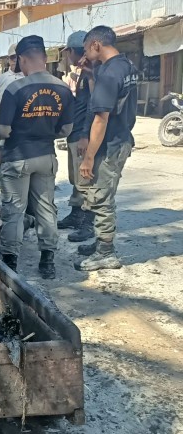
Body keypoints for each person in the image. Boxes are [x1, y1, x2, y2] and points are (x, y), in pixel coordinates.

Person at [0, 35, 74, 279]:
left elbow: (2, 130)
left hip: (18, 156)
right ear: (44, 57)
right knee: (46, 208)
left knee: (14, 210)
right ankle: (47, 261)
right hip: (46, 156)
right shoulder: (63, 88)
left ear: (22, 59)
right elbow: (65, 130)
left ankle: (11, 262)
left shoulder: (15, 88)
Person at [75, 25, 138, 271]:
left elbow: (101, 118)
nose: (84, 54)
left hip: (110, 143)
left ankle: (106, 252)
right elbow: (105, 98)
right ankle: (102, 240)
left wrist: (88, 157)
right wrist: (91, 76)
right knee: (103, 194)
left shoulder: (110, 74)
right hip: (121, 137)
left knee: (101, 197)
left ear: (96, 45)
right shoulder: (126, 66)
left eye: (85, 49)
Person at [58, 31, 96, 242]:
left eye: (67, 52)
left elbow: (94, 106)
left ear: (73, 51)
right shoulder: (81, 71)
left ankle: (87, 223)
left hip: (83, 133)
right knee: (75, 178)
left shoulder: (92, 72)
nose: (67, 56)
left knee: (85, 181)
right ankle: (75, 214)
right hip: (75, 132)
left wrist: (84, 135)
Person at [0, 44, 22, 140]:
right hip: (4, 125)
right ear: (8, 59)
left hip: (23, 125)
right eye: (13, 57)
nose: (15, 60)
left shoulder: (29, 77)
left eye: (18, 57)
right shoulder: (1, 79)